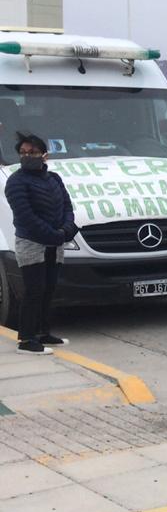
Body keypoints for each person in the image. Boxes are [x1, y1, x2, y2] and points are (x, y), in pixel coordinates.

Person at [5, 133, 75, 355]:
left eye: (32, 152)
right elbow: (26, 217)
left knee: (49, 289)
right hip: (31, 244)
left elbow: (67, 206)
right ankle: (26, 340)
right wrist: (54, 235)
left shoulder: (54, 178)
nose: (27, 156)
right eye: (23, 153)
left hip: (54, 242)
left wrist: (66, 229)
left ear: (44, 155)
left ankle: (43, 333)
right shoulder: (16, 181)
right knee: (34, 290)